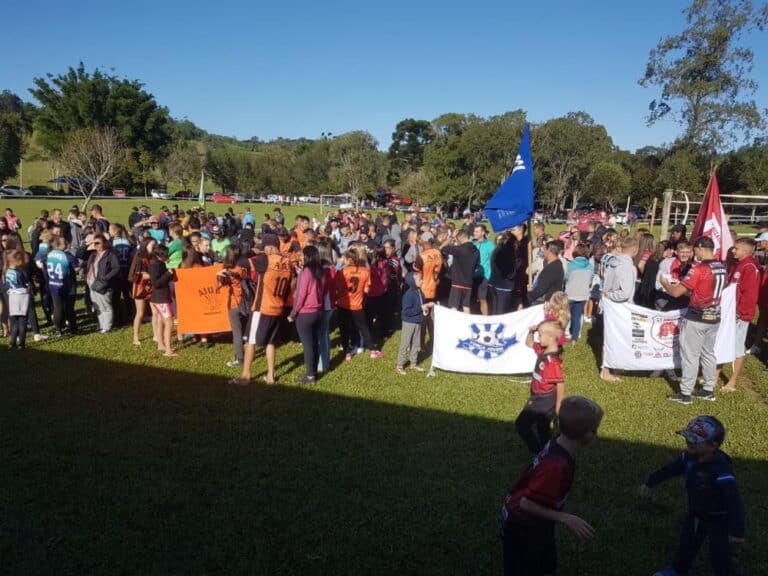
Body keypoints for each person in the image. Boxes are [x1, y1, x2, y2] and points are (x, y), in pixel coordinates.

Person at [501, 396, 603, 576]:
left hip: (535, 523)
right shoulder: (557, 465)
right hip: (523, 525)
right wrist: (565, 518)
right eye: (595, 429)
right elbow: (527, 504)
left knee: (545, 563)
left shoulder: (558, 441)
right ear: (587, 434)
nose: (597, 434)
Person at [640, 416, 744, 576]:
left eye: (695, 440)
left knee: (720, 556)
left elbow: (733, 502)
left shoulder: (721, 469)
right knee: (687, 545)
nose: (689, 442)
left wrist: (737, 531)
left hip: (719, 519)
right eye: (688, 437)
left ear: (713, 445)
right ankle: (677, 569)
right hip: (696, 513)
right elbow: (671, 469)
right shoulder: (688, 457)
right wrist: (650, 482)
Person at [661, 237, 726, 404]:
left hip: (697, 317)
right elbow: (706, 290)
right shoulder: (721, 267)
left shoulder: (699, 268)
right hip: (715, 316)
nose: (693, 253)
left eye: (694, 249)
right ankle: (708, 389)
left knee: (690, 355)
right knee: (708, 353)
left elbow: (676, 292)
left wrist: (665, 283)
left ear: (700, 248)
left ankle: (685, 393)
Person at [232, 234, 293, 385]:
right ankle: (271, 376)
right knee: (271, 343)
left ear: (268, 247)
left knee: (251, 342)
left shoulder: (265, 259)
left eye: (264, 247)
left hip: (262, 308)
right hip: (278, 307)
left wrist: (252, 253)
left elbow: (241, 262)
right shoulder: (287, 262)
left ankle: (245, 376)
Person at [515, 320, 565, 454]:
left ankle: (538, 452)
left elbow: (560, 385)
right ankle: (547, 452)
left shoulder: (552, 362)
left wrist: (558, 408)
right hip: (537, 395)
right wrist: (531, 332)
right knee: (542, 427)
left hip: (544, 399)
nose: (538, 337)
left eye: (540, 335)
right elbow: (528, 343)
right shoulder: (543, 350)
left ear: (550, 337)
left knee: (521, 424)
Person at [720, 238, 760, 392]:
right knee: (724, 342)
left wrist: (740, 313)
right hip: (731, 312)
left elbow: (750, 294)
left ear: (745, 250)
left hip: (740, 315)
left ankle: (732, 382)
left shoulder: (749, 267)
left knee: (737, 347)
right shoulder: (740, 264)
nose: (733, 251)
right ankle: (716, 375)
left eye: (736, 248)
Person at [288, 245, 328, 385]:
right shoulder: (321, 271)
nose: (301, 257)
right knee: (314, 343)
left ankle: (310, 376)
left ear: (307, 256)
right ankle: (314, 372)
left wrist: (293, 313)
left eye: (302, 255)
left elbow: (301, 295)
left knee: (307, 345)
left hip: (305, 313)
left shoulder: (306, 271)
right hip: (318, 311)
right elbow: (323, 291)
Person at [600, 238, 638, 381]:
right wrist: (610, 295)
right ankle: (606, 371)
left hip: (610, 306)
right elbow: (625, 293)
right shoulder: (627, 267)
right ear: (634, 250)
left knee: (611, 338)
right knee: (613, 339)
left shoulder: (613, 263)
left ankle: (613, 367)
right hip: (620, 307)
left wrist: (607, 295)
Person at [335, 248, 382, 360]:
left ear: (349, 259)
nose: (343, 261)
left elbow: (338, 288)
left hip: (343, 303)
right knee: (363, 327)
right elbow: (366, 290)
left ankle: (347, 353)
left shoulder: (343, 271)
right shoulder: (365, 271)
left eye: (345, 259)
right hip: (357, 304)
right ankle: (372, 350)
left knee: (344, 328)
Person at [43, 236, 79, 336]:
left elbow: (43, 266)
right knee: (69, 308)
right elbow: (77, 269)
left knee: (57, 308)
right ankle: (73, 329)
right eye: (64, 242)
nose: (67, 242)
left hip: (54, 284)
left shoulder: (48, 255)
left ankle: (58, 329)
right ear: (59, 244)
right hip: (68, 285)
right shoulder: (67, 255)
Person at [396, 271, 431, 374]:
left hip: (418, 321)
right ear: (412, 281)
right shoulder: (408, 295)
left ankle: (413, 363)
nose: (422, 280)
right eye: (420, 279)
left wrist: (426, 307)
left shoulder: (420, 292)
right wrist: (420, 308)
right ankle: (399, 365)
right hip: (409, 323)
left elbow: (421, 304)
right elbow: (406, 311)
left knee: (416, 343)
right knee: (405, 343)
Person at [86, 234, 120, 334]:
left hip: (103, 284)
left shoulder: (110, 255)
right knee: (97, 306)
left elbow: (116, 268)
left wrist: (105, 278)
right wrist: (89, 244)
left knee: (105, 305)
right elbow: (80, 253)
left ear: (104, 243)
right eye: (94, 243)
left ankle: (107, 326)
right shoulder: (93, 254)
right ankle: (101, 325)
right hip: (92, 282)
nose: (96, 245)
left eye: (98, 243)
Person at [441, 229, 479, 313]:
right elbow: (476, 268)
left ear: (460, 237)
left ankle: (454, 325)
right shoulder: (476, 251)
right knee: (466, 306)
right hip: (469, 283)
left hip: (457, 283)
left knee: (453, 307)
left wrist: (451, 237)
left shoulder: (458, 249)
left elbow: (442, 248)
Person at [149, 244, 177, 357]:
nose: (167, 257)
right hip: (161, 298)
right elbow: (156, 283)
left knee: (161, 321)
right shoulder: (155, 266)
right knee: (169, 322)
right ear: (159, 255)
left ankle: (161, 344)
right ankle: (168, 350)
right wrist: (168, 273)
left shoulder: (158, 264)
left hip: (158, 298)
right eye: (165, 255)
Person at [128, 238, 156, 346]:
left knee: (155, 312)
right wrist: (154, 275)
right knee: (140, 313)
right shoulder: (139, 257)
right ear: (146, 245)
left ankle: (156, 335)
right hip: (140, 287)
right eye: (152, 245)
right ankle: (136, 337)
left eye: (154, 245)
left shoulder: (153, 257)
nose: (153, 247)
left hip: (151, 286)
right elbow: (137, 275)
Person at [564, 244, 593, 342]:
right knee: (577, 317)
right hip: (582, 295)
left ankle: (564, 334)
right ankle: (575, 338)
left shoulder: (571, 265)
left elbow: (566, 278)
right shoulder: (590, 266)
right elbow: (590, 280)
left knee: (566, 315)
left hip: (570, 294)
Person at [5, 249, 30, 349]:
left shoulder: (7, 272)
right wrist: (30, 288)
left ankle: (12, 342)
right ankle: (21, 344)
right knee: (22, 321)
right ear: (17, 261)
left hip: (12, 297)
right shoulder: (21, 272)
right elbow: (27, 284)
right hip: (22, 297)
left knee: (14, 321)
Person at [528, 240, 565, 306]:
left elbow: (541, 290)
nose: (543, 252)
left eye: (544, 250)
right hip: (551, 301)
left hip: (545, 303)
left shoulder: (552, 268)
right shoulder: (558, 264)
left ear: (549, 251)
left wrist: (529, 295)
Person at [472, 224, 494, 315]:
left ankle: (485, 318)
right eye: (474, 231)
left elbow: (493, 260)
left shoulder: (489, 245)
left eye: (477, 231)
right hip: (472, 275)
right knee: (472, 298)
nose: (474, 233)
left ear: (483, 232)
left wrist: (489, 276)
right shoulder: (472, 243)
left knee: (482, 298)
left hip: (484, 276)